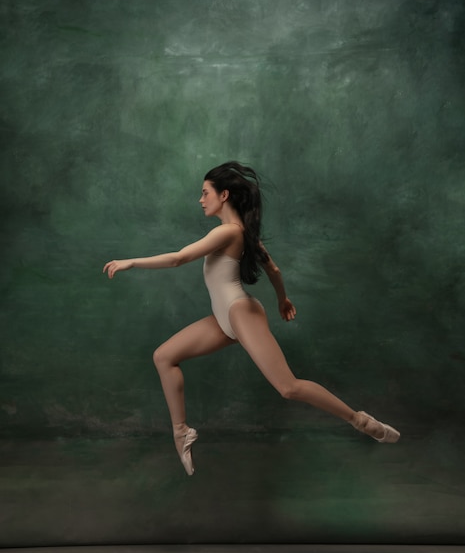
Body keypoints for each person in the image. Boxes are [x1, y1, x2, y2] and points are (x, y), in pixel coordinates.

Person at [103, 161, 400, 475]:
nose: (201, 199)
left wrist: (131, 262)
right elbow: (273, 269)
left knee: (287, 388)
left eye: (205, 193)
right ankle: (181, 432)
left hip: (239, 312)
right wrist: (282, 299)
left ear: (224, 195)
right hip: (224, 317)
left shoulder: (229, 231)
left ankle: (361, 421)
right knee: (164, 356)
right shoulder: (243, 233)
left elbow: (179, 258)